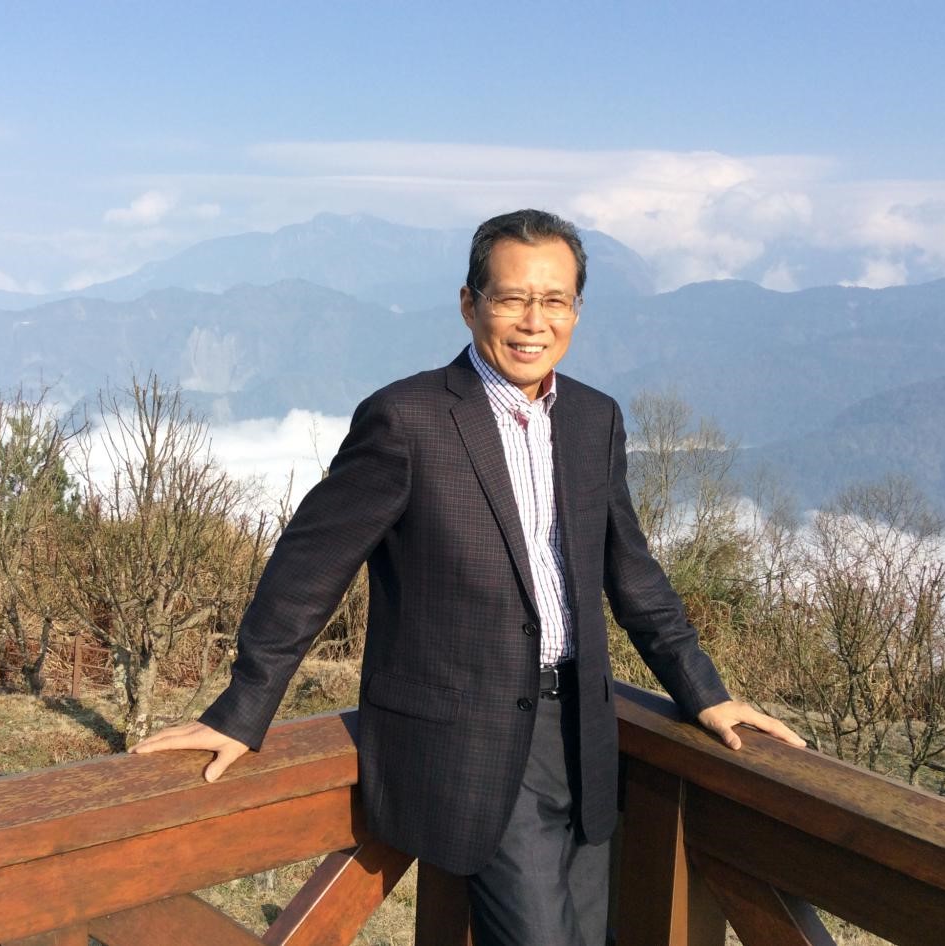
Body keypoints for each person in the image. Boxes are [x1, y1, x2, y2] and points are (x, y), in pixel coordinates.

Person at [132, 209, 805, 945]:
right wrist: (242, 709)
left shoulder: (594, 419)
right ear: (469, 303)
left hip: (586, 733)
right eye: (511, 298)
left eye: (554, 301)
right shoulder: (408, 419)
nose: (533, 322)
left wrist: (706, 693)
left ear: (577, 309)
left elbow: (632, 573)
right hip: (469, 741)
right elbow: (308, 567)